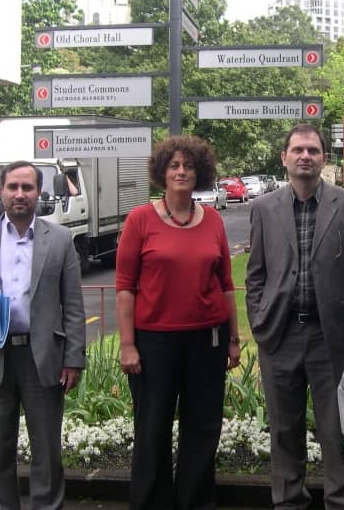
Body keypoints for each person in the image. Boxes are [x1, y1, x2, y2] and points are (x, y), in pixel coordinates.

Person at [246, 124, 344, 509]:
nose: (305, 156)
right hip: (280, 336)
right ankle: (288, 501)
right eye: (298, 150)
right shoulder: (264, 208)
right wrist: (259, 321)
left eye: (313, 150)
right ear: (284, 158)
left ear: (323, 158)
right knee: (285, 429)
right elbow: (255, 274)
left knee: (338, 429)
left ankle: (341, 501)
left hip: (330, 338)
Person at [116, 135, 241, 510]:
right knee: (152, 431)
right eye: (174, 165)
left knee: (203, 430)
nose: (182, 171)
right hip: (155, 343)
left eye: (188, 165)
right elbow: (124, 288)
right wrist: (127, 344)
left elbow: (226, 285)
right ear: (162, 172)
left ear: (199, 172)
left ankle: (195, 502)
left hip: (208, 341)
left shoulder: (214, 220)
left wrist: (233, 339)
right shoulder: (140, 220)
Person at [0, 160, 86, 510]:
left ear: (38, 192)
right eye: (13, 187)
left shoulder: (59, 239)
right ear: (1, 191)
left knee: (47, 453)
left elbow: (72, 303)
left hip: (42, 359)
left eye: (27, 187)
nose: (20, 194)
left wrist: (74, 358)